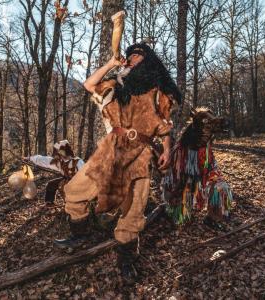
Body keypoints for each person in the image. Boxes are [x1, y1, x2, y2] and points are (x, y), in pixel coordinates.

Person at [53, 43, 181, 281]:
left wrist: (167, 149)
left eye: (137, 56)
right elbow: (89, 85)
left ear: (148, 60)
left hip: (140, 154)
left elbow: (164, 126)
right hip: (111, 149)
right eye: (130, 56)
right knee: (76, 190)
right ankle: (79, 234)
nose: (132, 59)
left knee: (134, 210)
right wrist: (112, 63)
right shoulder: (116, 87)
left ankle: (126, 260)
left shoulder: (158, 92)